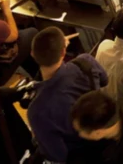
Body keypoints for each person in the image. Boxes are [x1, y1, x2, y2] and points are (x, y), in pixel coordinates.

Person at [28, 26, 108, 164]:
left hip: (83, 156)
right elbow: (105, 80)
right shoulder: (85, 62)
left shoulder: (36, 110)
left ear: (32, 54)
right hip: (106, 137)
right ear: (64, 52)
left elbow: (58, 155)